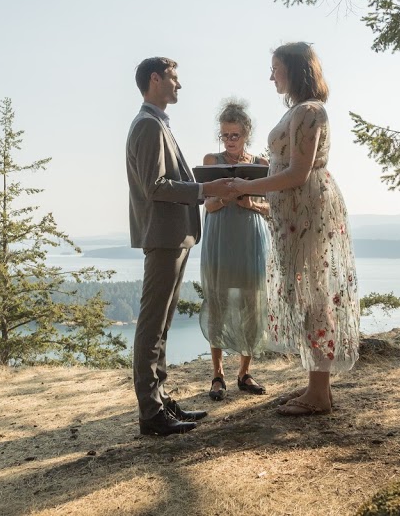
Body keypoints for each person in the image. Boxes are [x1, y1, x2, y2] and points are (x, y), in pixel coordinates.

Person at [228, 43, 360, 416]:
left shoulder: (310, 111)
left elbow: (299, 173)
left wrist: (243, 186)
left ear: (295, 70)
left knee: (314, 297)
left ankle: (319, 394)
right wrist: (261, 202)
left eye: (276, 68)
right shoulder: (302, 111)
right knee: (307, 295)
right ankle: (316, 388)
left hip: (307, 212)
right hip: (294, 213)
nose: (271, 76)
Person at [126, 56, 236, 436]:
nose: (179, 85)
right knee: (152, 324)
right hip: (163, 236)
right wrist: (207, 190)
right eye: (174, 78)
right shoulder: (147, 126)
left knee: (162, 326)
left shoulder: (157, 124)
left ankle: (160, 400)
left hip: (174, 236)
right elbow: (155, 188)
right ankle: (151, 413)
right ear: (155, 79)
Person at [198, 99, 271, 401]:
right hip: (220, 237)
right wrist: (228, 196)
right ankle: (217, 374)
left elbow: (271, 207)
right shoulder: (211, 161)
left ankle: (245, 372)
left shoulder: (261, 165)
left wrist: (251, 202)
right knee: (217, 303)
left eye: (235, 135)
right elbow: (207, 203)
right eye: (225, 135)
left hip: (250, 239)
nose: (229, 141)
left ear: (246, 134)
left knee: (251, 305)